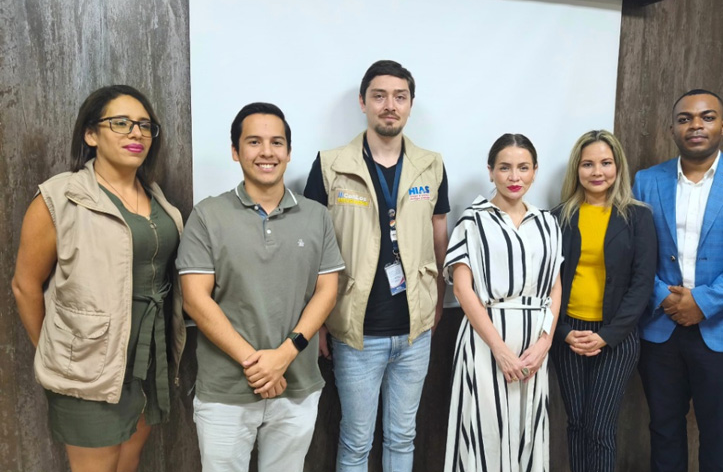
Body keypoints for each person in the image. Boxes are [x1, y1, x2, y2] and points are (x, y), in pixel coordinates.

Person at [11, 85, 185, 472]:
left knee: (128, 461)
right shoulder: (60, 197)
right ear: (91, 135)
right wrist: (58, 355)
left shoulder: (157, 198)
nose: (135, 133)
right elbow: (24, 286)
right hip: (87, 368)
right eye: (120, 123)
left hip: (146, 357)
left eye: (144, 125)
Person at [177, 102, 343, 472]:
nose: (267, 152)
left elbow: (326, 292)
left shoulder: (316, 216)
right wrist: (256, 365)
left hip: (297, 383)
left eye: (276, 142)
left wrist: (283, 356)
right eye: (254, 142)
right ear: (235, 151)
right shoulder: (207, 215)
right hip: (226, 389)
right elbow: (195, 299)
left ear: (288, 151)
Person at [304, 60, 449, 472]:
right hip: (355, 331)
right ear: (363, 103)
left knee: (403, 437)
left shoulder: (430, 165)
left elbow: (440, 236)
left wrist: (439, 300)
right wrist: (315, 324)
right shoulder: (331, 164)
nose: (390, 105)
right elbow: (313, 247)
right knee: (355, 441)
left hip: (415, 332)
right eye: (380, 96)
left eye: (399, 97)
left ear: (410, 105)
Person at [633, 89, 723, 472]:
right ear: (672, 129)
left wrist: (703, 302)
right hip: (659, 327)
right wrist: (665, 297)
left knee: (719, 431)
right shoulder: (647, 181)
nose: (696, 125)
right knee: (663, 427)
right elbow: (634, 250)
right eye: (685, 118)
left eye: (707, 117)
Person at [443, 133, 562, 472]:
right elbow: (463, 290)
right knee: (484, 433)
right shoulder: (473, 219)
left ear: (535, 171)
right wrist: (500, 350)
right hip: (486, 343)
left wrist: (545, 342)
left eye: (523, 168)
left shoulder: (548, 222)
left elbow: (554, 287)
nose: (514, 177)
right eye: (505, 168)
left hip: (534, 349)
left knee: (528, 431)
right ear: (491, 171)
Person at [550, 130, 657, 472]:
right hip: (567, 334)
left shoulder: (638, 217)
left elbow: (642, 285)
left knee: (599, 427)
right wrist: (564, 331)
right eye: (588, 164)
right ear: (576, 170)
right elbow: (546, 283)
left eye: (606, 163)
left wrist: (607, 335)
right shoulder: (558, 217)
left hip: (615, 337)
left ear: (618, 166)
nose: (598, 172)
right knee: (577, 422)